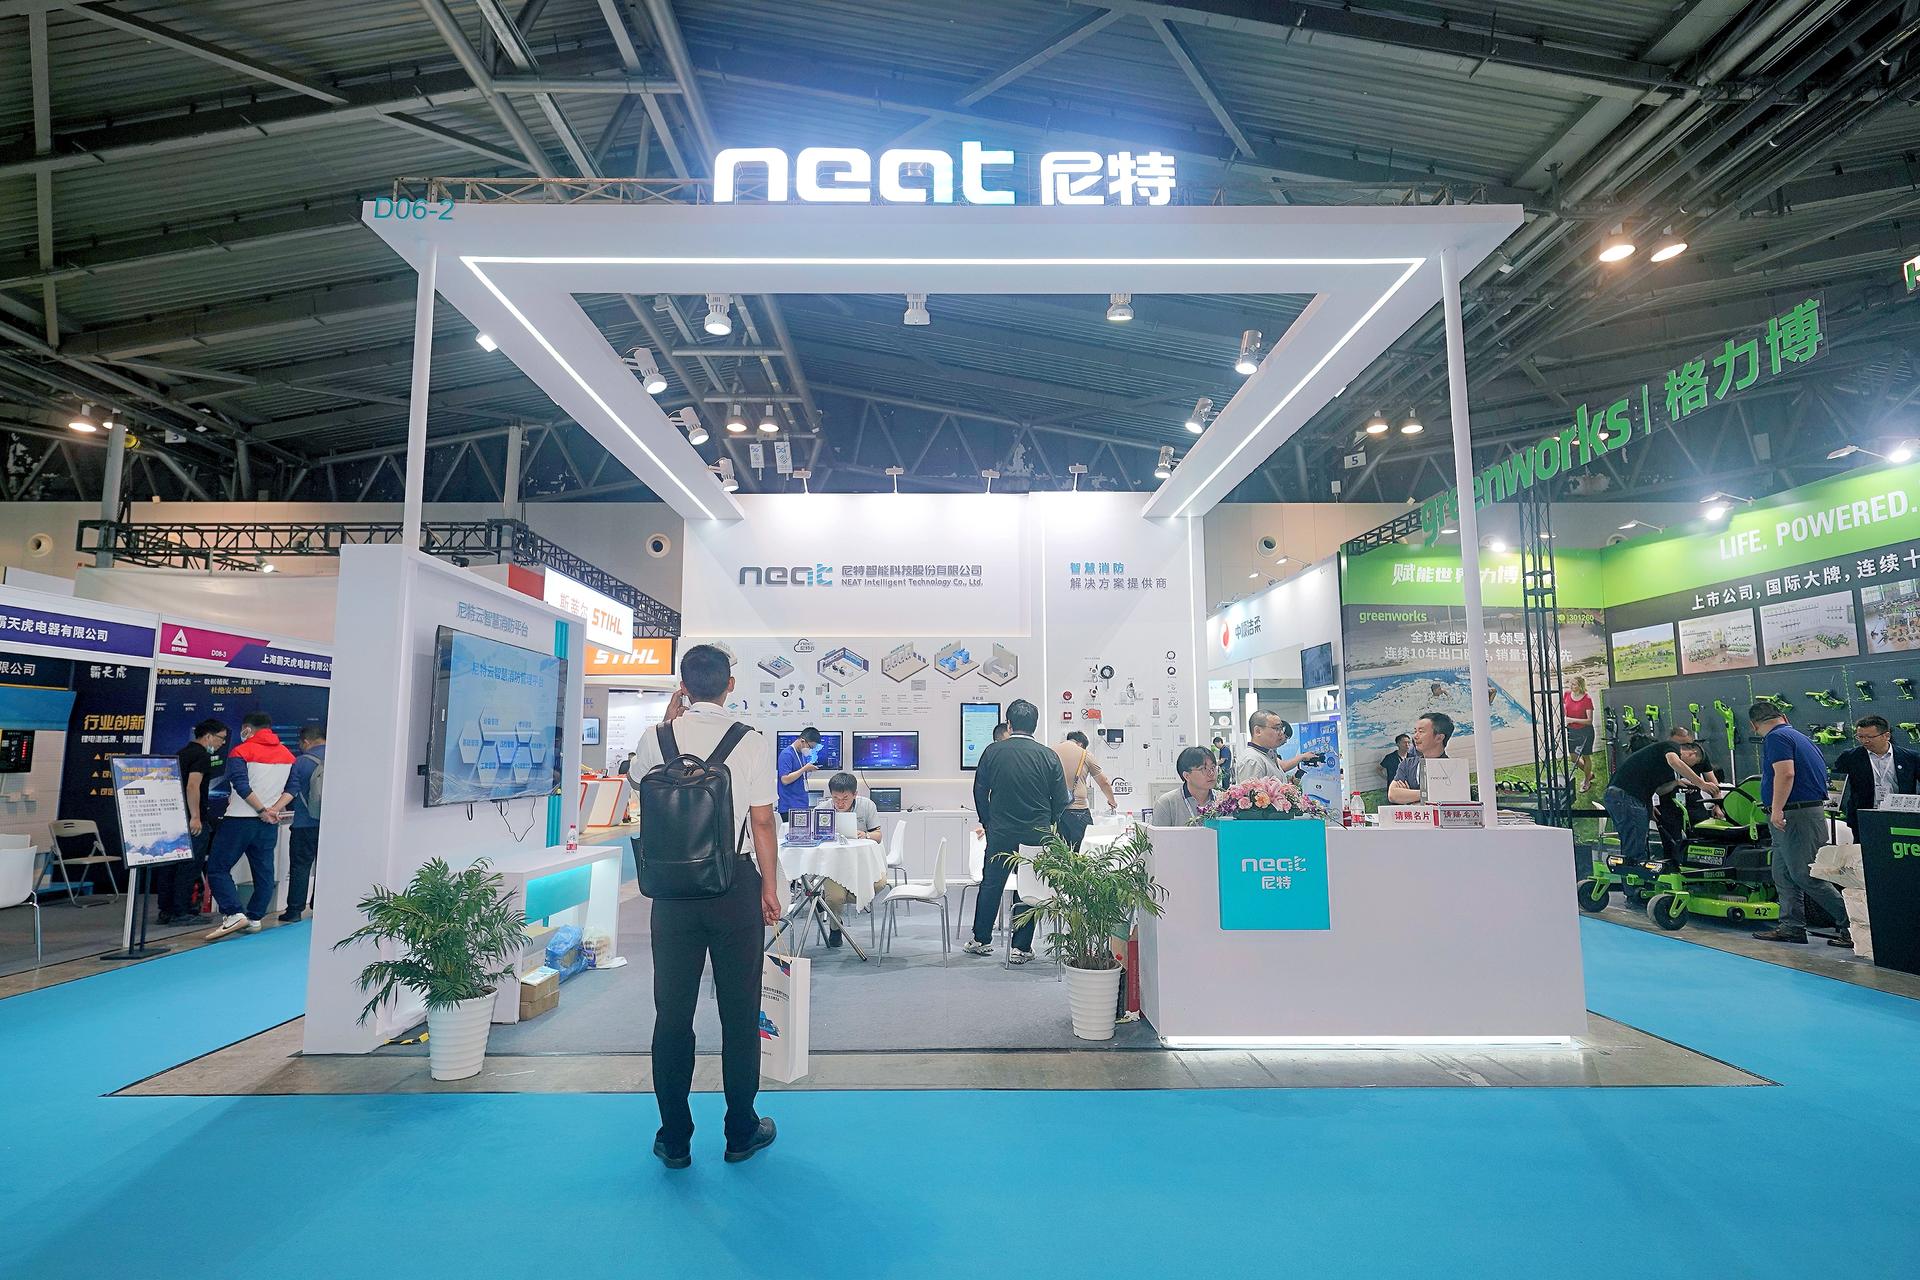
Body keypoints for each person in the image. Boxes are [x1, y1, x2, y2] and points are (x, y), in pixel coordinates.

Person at [630, 644, 781, 1167]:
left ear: (683, 684)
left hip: (671, 892)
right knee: (739, 1013)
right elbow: (762, 821)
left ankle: (674, 1138)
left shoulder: (655, 738)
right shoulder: (750, 740)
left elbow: (637, 783)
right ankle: (740, 1131)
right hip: (734, 885)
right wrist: (769, 887)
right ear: (730, 684)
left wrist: (667, 718)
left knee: (672, 1014)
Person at [966, 698, 1068, 963]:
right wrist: (1049, 821)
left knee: (991, 885)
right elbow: (1062, 799)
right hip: (1036, 833)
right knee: (1029, 888)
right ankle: (1020, 947)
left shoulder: (993, 752)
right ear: (1035, 725)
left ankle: (981, 939)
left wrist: (988, 821)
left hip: (1000, 831)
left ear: (1009, 724)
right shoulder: (1048, 756)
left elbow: (979, 790)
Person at [1748, 702, 1847, 947]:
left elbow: (1786, 773)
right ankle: (1791, 926)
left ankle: (1854, 924)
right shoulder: (1799, 737)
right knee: (1783, 874)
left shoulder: (1776, 738)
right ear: (1783, 716)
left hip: (1795, 814)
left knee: (1806, 874)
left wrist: (1777, 808)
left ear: (1753, 725)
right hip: (1800, 813)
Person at [204, 713, 295, 940]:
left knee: (217, 868)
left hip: (239, 819)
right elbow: (293, 788)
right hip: (268, 823)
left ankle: (234, 913)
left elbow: (241, 786)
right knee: (264, 871)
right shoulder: (287, 754)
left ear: (247, 728)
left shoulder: (240, 751)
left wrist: (262, 810)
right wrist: (273, 810)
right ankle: (254, 918)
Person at [1603, 738, 1720, 875]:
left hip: (1627, 797)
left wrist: (1650, 804)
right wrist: (1701, 784)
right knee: (1635, 847)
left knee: (1636, 843)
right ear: (1691, 753)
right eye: (1693, 764)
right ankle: (1636, 883)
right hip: (1626, 796)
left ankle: (1635, 880)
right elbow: (1674, 762)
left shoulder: (1658, 763)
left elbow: (1655, 788)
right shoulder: (1671, 746)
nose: (1691, 768)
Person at [155, 719, 227, 926]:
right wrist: (195, 816)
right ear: (208, 736)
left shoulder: (181, 753)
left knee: (171, 865)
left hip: (174, 818)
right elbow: (192, 786)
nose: (222, 743)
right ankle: (181, 911)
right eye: (221, 738)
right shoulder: (201, 756)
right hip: (192, 820)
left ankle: (166, 910)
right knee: (189, 866)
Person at [811, 771, 882, 948]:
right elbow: (813, 838)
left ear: (855, 794)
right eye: (835, 798)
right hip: (833, 866)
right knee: (835, 899)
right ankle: (835, 927)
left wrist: (865, 834)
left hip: (863, 863)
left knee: (879, 884)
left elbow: (878, 836)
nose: (840, 803)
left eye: (845, 798)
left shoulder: (867, 806)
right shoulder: (822, 809)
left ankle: (825, 900)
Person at [1833, 714, 1920, 835]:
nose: (1864, 741)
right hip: (1864, 816)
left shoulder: (1910, 757)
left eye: (1870, 737)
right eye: (1860, 737)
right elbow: (1836, 783)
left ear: (1886, 736)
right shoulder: (1850, 757)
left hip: (1901, 815)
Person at [280, 722, 325, 924]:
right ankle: (321, 904)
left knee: (300, 866)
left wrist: (274, 809)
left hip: (304, 823)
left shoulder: (301, 762)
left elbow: (292, 790)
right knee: (326, 866)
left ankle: (294, 910)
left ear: (306, 742)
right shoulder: (340, 757)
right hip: (331, 825)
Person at [1054, 730, 1116, 850]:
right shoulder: (1085, 754)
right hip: (1078, 810)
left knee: (1060, 854)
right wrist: (1112, 801)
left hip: (1055, 811)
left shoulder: (1051, 752)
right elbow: (1104, 782)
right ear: (1080, 744)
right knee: (1082, 852)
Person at [1386, 712, 1453, 804]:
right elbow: (1393, 794)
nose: (1415, 736)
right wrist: (1431, 794)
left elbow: (1450, 796)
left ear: (1439, 738)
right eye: (1415, 731)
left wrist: (1409, 795)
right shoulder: (1407, 764)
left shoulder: (1452, 768)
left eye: (1421, 732)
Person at [1238, 710, 1322, 782]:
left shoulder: (1268, 754)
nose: (1281, 733)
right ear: (1258, 731)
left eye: (1281, 729)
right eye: (1277, 729)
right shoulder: (1252, 760)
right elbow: (1253, 795)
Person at [1154, 747, 1220, 825]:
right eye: (1203, 769)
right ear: (1187, 776)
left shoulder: (1225, 801)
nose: (1211, 773)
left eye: (1213, 767)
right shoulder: (1167, 803)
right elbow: (1159, 833)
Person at [776, 726, 822, 820]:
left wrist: (808, 770)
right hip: (790, 806)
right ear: (802, 741)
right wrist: (804, 769)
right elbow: (785, 780)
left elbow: (799, 774)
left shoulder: (801, 755)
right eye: (810, 747)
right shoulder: (787, 754)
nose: (810, 750)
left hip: (801, 804)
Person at [1563, 676, 1596, 792]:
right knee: (1573, 758)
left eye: (1574, 684)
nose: (1571, 686)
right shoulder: (1566, 695)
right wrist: (1563, 722)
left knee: (1585, 756)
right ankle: (1589, 774)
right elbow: (1565, 712)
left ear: (1580, 686)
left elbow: (1589, 721)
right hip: (1572, 731)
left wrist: (1572, 720)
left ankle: (1587, 781)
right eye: (1571, 683)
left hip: (1585, 731)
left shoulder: (1587, 699)